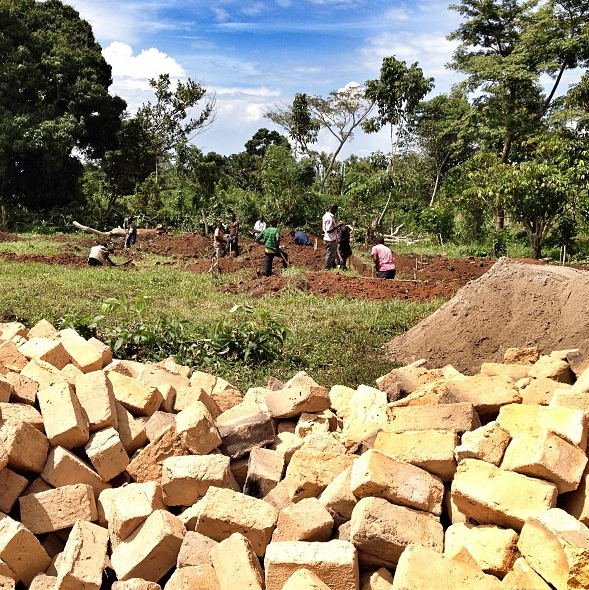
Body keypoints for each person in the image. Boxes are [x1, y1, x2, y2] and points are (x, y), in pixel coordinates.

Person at [322, 203, 343, 270]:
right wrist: (338, 226)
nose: (336, 212)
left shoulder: (326, 216)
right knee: (330, 254)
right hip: (330, 238)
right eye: (336, 210)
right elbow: (328, 230)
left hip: (329, 238)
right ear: (333, 209)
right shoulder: (329, 218)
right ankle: (326, 268)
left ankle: (332, 266)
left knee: (332, 254)